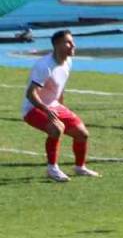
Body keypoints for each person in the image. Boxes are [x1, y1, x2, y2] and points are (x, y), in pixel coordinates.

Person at [22, 30, 98, 182]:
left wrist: (62, 107)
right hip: (33, 108)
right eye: (68, 42)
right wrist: (46, 110)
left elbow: (59, 89)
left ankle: (79, 167)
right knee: (56, 129)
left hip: (54, 106)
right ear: (57, 45)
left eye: (72, 41)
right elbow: (31, 94)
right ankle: (52, 168)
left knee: (82, 133)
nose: (73, 45)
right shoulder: (44, 66)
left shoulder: (68, 61)